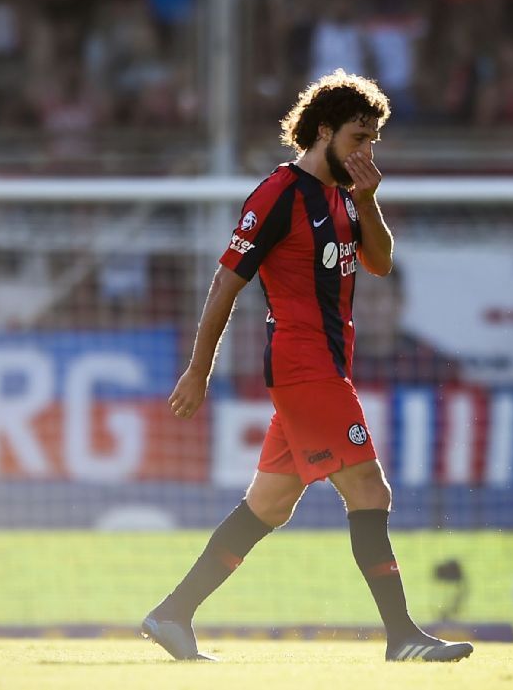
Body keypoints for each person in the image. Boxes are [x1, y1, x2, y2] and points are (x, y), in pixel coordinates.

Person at [141, 70, 474, 664]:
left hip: (323, 367)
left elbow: (381, 263)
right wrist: (199, 370)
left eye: (374, 139)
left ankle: (172, 614)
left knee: (269, 504)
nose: (367, 151)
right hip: (305, 367)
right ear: (323, 132)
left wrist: (368, 201)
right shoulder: (279, 194)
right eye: (358, 137)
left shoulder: (344, 197)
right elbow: (226, 281)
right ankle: (402, 637)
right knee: (370, 489)